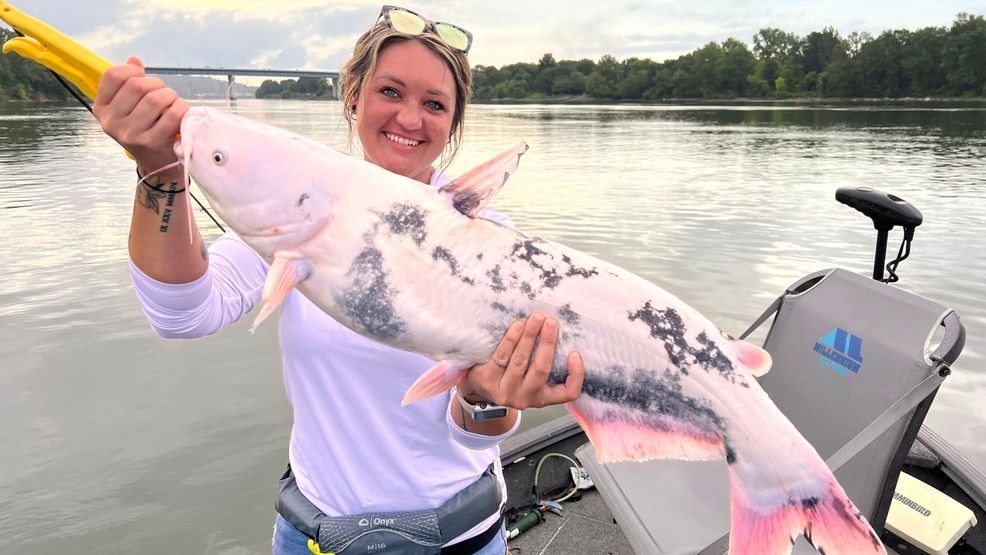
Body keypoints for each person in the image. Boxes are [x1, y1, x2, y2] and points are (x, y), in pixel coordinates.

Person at [93, 5, 585, 555]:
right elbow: (183, 314)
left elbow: (474, 432)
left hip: (460, 540)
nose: (410, 118)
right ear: (353, 95)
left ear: (453, 121)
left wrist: (485, 399)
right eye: (391, 92)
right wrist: (158, 170)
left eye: (434, 104)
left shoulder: (484, 238)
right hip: (312, 537)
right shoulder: (301, 205)